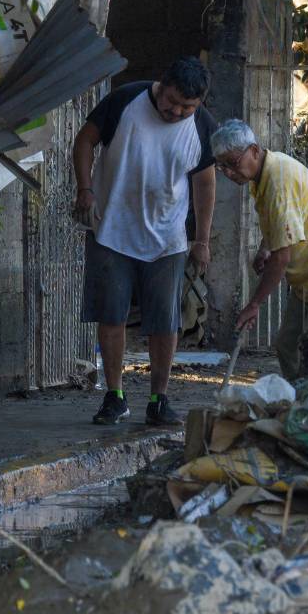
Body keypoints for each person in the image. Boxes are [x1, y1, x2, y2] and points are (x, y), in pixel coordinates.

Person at [72, 57, 217, 425]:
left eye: (187, 107)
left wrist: (202, 240)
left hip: (168, 237)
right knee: (111, 314)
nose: (177, 112)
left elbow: (204, 183)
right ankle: (114, 396)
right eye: (172, 102)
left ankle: (159, 399)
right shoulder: (126, 100)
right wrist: (85, 189)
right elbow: (85, 140)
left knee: (165, 320)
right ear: (161, 85)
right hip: (111, 229)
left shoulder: (201, 125)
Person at [210, 119, 308, 380]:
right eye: (221, 166)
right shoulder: (263, 174)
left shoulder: (279, 182)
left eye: (232, 163)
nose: (228, 173)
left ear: (254, 151)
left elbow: (282, 258)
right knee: (288, 346)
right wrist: (265, 247)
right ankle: (301, 399)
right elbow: (280, 223)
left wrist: (254, 304)